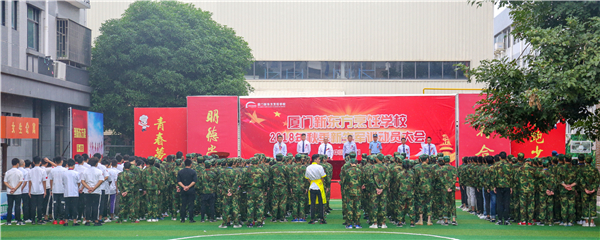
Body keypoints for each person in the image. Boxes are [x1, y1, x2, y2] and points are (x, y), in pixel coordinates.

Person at [81, 157, 105, 226]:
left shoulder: (85, 171)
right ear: (96, 163)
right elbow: (101, 181)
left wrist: (88, 187)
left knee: (87, 206)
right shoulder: (99, 171)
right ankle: (96, 220)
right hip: (96, 191)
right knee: (96, 206)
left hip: (87, 191)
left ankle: (87, 221)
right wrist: (93, 188)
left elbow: (82, 181)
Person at [491, 152, 513, 225]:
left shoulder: (496, 165)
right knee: (506, 203)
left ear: (500, 157)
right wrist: (511, 186)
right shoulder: (509, 165)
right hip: (507, 186)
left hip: (499, 186)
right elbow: (511, 176)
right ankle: (506, 219)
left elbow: (494, 176)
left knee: (499, 203)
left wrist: (494, 186)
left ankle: (500, 219)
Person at [305, 154, 327, 224]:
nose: (319, 160)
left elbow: (307, 178)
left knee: (312, 203)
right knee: (321, 203)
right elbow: (322, 177)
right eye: (318, 159)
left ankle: (312, 219)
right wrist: (321, 183)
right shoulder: (320, 167)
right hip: (319, 186)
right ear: (315, 160)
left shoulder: (308, 167)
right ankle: (322, 219)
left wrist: (312, 182)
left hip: (312, 186)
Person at [344, 154, 363, 229]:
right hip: (358, 191)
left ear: (350, 163)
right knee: (357, 208)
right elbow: (362, 181)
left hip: (349, 191)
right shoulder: (360, 171)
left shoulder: (347, 171)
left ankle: (349, 224)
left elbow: (344, 181)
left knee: (349, 208)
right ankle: (357, 224)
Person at [4, 158, 24, 226]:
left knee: (10, 206)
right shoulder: (20, 172)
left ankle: (8, 221)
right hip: (17, 191)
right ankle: (18, 220)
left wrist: (11, 188)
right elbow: (20, 182)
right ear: (18, 164)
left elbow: (5, 182)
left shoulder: (8, 172)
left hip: (9, 192)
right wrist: (15, 188)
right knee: (17, 206)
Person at [62, 159, 81, 226]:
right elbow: (78, 183)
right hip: (74, 192)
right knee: (74, 207)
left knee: (67, 207)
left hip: (67, 192)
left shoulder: (64, 173)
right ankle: (74, 221)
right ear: (73, 165)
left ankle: (66, 221)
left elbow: (63, 182)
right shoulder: (76, 173)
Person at [29, 157, 47, 225]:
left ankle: (33, 220)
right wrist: (45, 190)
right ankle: (39, 219)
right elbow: (44, 181)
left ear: (33, 162)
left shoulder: (30, 171)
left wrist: (29, 191)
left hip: (33, 190)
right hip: (40, 190)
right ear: (40, 162)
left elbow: (29, 182)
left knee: (33, 206)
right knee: (40, 206)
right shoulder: (42, 170)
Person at [49, 156, 67, 225]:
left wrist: (51, 189)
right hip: (63, 190)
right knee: (62, 204)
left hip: (55, 189)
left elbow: (51, 180)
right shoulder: (65, 170)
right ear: (62, 161)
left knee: (55, 204)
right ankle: (62, 219)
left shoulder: (52, 170)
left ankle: (55, 220)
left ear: (55, 162)